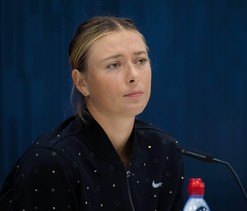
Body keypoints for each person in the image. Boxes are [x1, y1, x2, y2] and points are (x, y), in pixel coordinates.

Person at [0, 16, 184, 210]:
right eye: (114, 65)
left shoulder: (165, 150)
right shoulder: (51, 162)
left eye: (140, 60)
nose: (133, 76)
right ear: (81, 82)